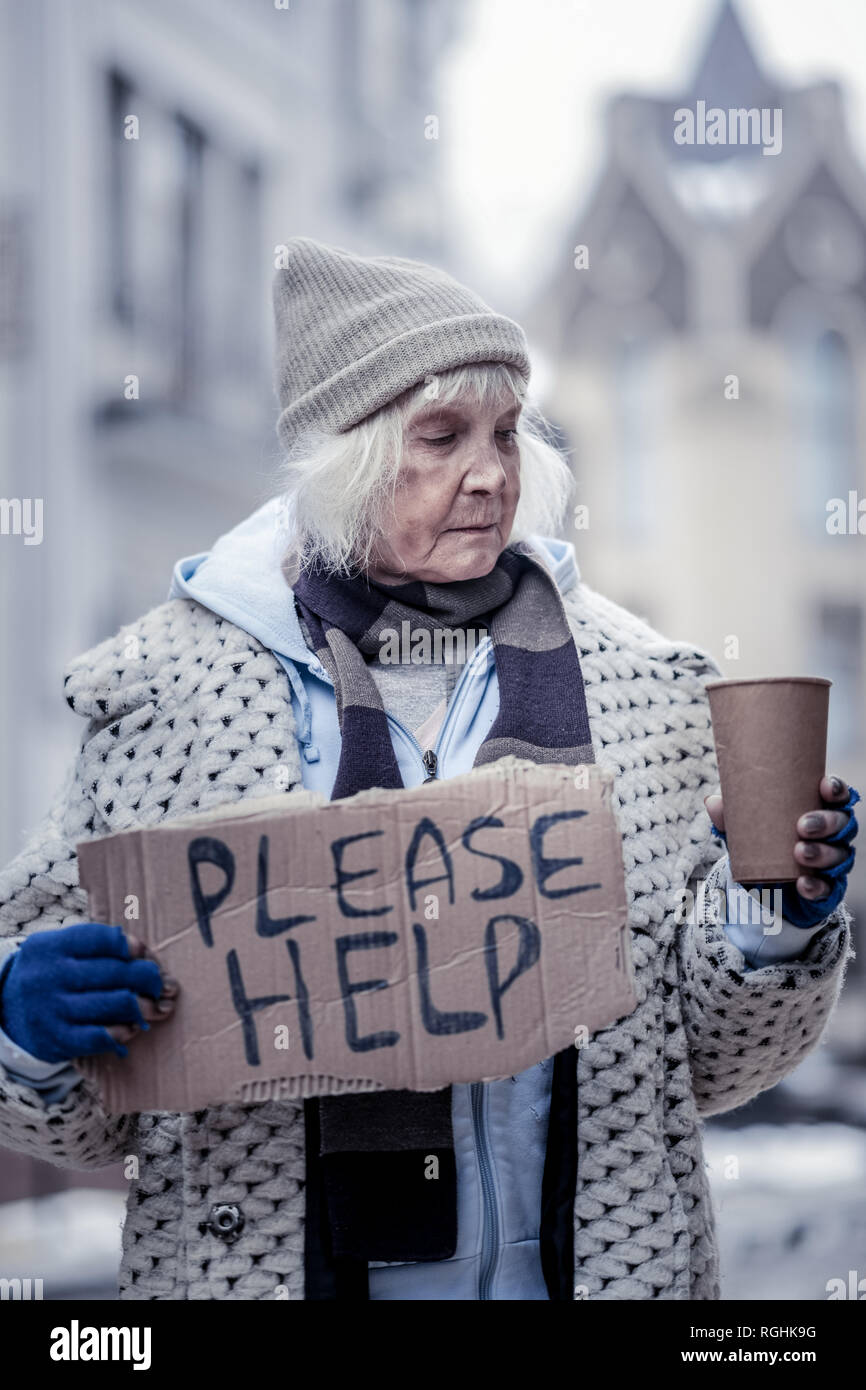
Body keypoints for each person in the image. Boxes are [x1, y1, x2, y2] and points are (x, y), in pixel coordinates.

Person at [0, 238, 858, 1301]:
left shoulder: (641, 691)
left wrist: (765, 918)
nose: (492, 473)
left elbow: (713, 1062)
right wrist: (25, 1025)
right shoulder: (166, 701)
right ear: (347, 457)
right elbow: (96, 1118)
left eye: (505, 432)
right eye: (442, 436)